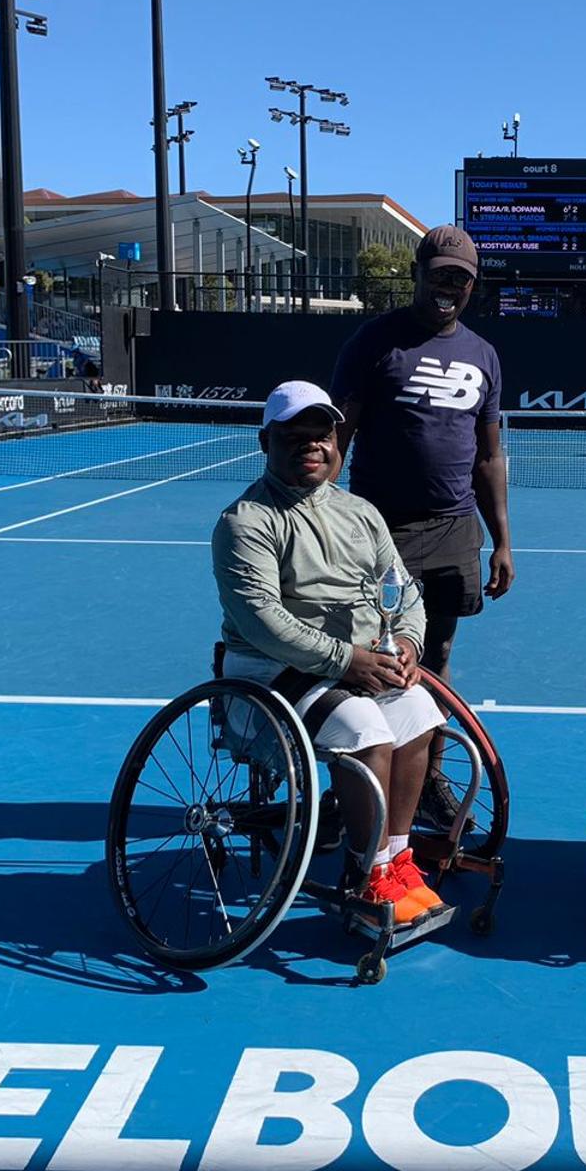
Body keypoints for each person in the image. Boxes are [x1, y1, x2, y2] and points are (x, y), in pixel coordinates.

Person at [210, 380, 448, 925]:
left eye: (322, 435)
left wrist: (407, 642)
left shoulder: (361, 512)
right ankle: (365, 874)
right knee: (364, 725)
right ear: (265, 441)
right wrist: (349, 660)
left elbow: (403, 590)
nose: (312, 445)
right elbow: (264, 622)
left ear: (338, 442)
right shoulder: (245, 523)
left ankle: (394, 860)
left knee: (419, 712)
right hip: (269, 675)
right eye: (295, 436)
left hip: (353, 665)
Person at [332, 224, 512, 828]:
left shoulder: (483, 354)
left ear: (471, 286)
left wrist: (503, 541)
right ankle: (356, 783)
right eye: (440, 275)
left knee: (434, 655)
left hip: (455, 530)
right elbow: (341, 433)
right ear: (418, 273)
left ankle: (427, 779)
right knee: (372, 660)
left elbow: (489, 457)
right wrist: (317, 514)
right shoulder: (373, 342)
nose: (449, 288)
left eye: (460, 279)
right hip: (379, 531)